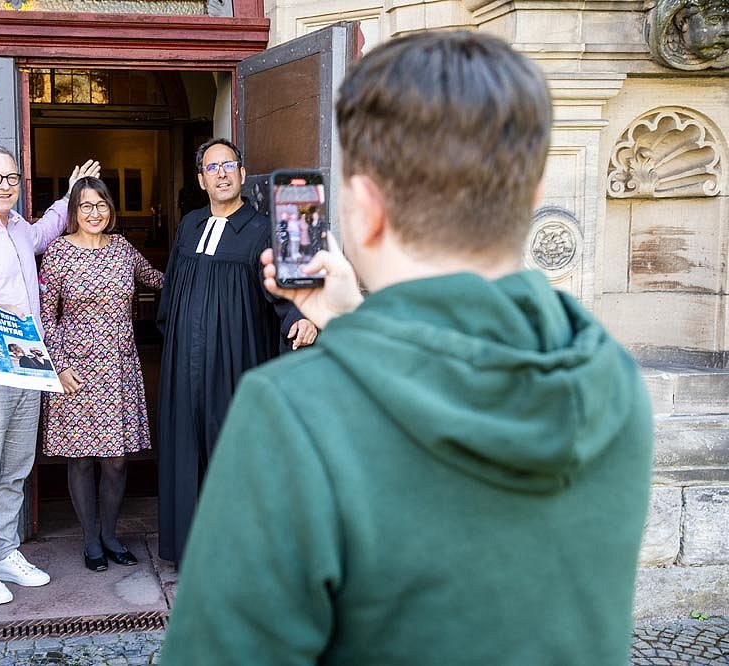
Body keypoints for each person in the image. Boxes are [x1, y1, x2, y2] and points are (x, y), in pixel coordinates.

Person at [162, 31, 654, 665]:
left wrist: (346, 326)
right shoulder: (613, 379)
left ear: (363, 209)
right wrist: (347, 316)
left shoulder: (291, 410)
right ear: (531, 197)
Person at [0, 146, 100, 605]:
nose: (5, 185)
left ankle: (5, 552)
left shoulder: (18, 229)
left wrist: (69, 195)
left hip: (26, 364)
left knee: (15, 470)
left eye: (12, 178)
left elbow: (47, 232)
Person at [155, 138, 318, 564]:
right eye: (212, 168)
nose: (222, 173)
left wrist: (301, 317)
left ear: (243, 174)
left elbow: (293, 293)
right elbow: (172, 290)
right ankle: (189, 548)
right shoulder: (189, 225)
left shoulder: (266, 229)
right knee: (186, 450)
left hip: (236, 363)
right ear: (201, 180)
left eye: (229, 165)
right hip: (181, 366)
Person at [39, 177, 164, 573]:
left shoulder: (123, 250)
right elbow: (46, 316)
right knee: (80, 460)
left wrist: (210, 275)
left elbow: (161, 281)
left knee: (116, 460)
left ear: (111, 209)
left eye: (101, 205)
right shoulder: (58, 252)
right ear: (73, 211)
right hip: (74, 370)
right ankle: (90, 539)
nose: (95, 213)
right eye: (86, 206)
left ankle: (111, 535)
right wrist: (59, 366)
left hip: (119, 369)